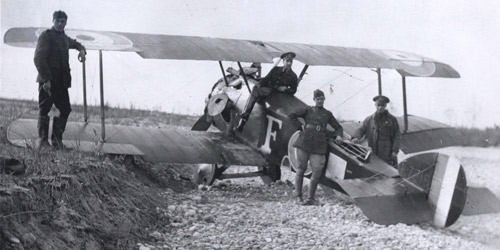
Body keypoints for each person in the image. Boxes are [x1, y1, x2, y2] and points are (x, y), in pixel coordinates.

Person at [34, 10, 86, 150]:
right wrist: (46, 80)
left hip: (61, 84)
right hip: (48, 82)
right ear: (53, 21)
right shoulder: (46, 36)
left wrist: (81, 50)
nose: (60, 24)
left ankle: (57, 142)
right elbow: (39, 58)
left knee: (65, 109)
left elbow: (75, 43)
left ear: (65, 23)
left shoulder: (64, 38)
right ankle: (42, 142)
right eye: (58, 21)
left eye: (63, 21)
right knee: (44, 109)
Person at [288, 89, 343, 205]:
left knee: (317, 171)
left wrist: (339, 136)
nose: (320, 101)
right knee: (301, 169)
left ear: (324, 99)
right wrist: (300, 126)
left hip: (319, 143)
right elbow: (292, 115)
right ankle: (298, 196)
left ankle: (310, 198)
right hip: (305, 141)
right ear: (314, 100)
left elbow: (338, 127)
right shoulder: (308, 109)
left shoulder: (327, 114)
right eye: (317, 99)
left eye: (322, 99)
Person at [236, 52, 298, 132]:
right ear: (283, 61)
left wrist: (286, 89)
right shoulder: (275, 69)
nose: (289, 63)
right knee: (255, 91)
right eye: (287, 61)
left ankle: (244, 117)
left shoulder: (293, 76)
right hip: (270, 90)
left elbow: (294, 90)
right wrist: (259, 84)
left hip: (278, 94)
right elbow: (266, 79)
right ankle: (245, 115)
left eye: (290, 61)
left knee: (256, 93)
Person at [351, 95, 401, 166]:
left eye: (382, 105)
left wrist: (395, 151)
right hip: (373, 153)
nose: (380, 107)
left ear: (385, 105)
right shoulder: (369, 119)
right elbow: (361, 129)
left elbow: (397, 136)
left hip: (387, 154)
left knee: (389, 172)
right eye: (378, 105)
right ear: (375, 105)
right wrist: (356, 137)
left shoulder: (392, 120)